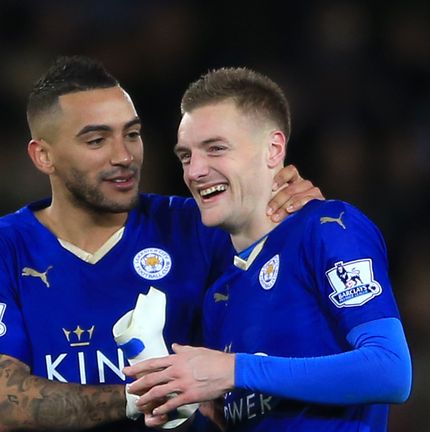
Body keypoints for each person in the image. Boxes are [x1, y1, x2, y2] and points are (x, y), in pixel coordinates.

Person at [0, 56, 324, 431]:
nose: (124, 156)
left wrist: (283, 202)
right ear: (43, 156)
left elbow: (300, 282)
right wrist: (143, 397)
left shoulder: (196, 226)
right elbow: (5, 403)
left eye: (131, 134)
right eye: (97, 140)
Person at [124, 68, 412, 431]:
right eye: (185, 156)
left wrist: (234, 370)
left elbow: (391, 370)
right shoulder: (221, 294)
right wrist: (189, 408)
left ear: (273, 149)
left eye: (216, 149)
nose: (195, 171)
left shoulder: (328, 229)